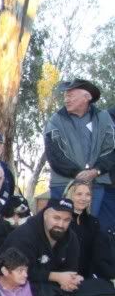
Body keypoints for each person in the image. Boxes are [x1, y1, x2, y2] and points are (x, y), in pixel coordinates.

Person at [0, 198, 115, 296]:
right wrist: (55, 277)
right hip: (18, 286)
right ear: (45, 214)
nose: (61, 224)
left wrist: (71, 280)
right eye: (56, 218)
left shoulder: (71, 238)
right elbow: (15, 272)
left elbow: (71, 269)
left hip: (54, 288)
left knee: (100, 286)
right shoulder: (24, 236)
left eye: (66, 220)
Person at [44, 79, 114, 219]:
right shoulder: (55, 121)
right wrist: (78, 173)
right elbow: (54, 154)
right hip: (64, 185)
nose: (66, 99)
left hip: (96, 185)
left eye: (71, 95)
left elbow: (111, 149)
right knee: (63, 226)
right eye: (65, 96)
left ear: (87, 97)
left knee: (90, 227)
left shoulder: (104, 118)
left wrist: (96, 171)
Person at [63, 179, 101, 278]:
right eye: (79, 194)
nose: (84, 198)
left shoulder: (93, 222)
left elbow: (96, 253)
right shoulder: (61, 221)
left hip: (87, 278)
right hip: (63, 276)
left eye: (88, 194)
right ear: (70, 195)